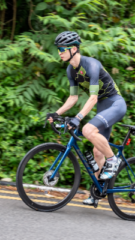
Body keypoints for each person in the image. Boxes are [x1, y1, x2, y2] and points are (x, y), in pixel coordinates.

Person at [47, 31, 127, 205]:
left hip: (115, 104)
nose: (59, 52)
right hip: (103, 107)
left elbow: (93, 98)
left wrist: (78, 117)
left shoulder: (91, 64)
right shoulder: (71, 70)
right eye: (58, 49)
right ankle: (97, 193)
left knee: (87, 129)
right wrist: (57, 113)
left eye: (62, 48)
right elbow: (73, 98)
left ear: (74, 49)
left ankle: (114, 160)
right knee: (97, 151)